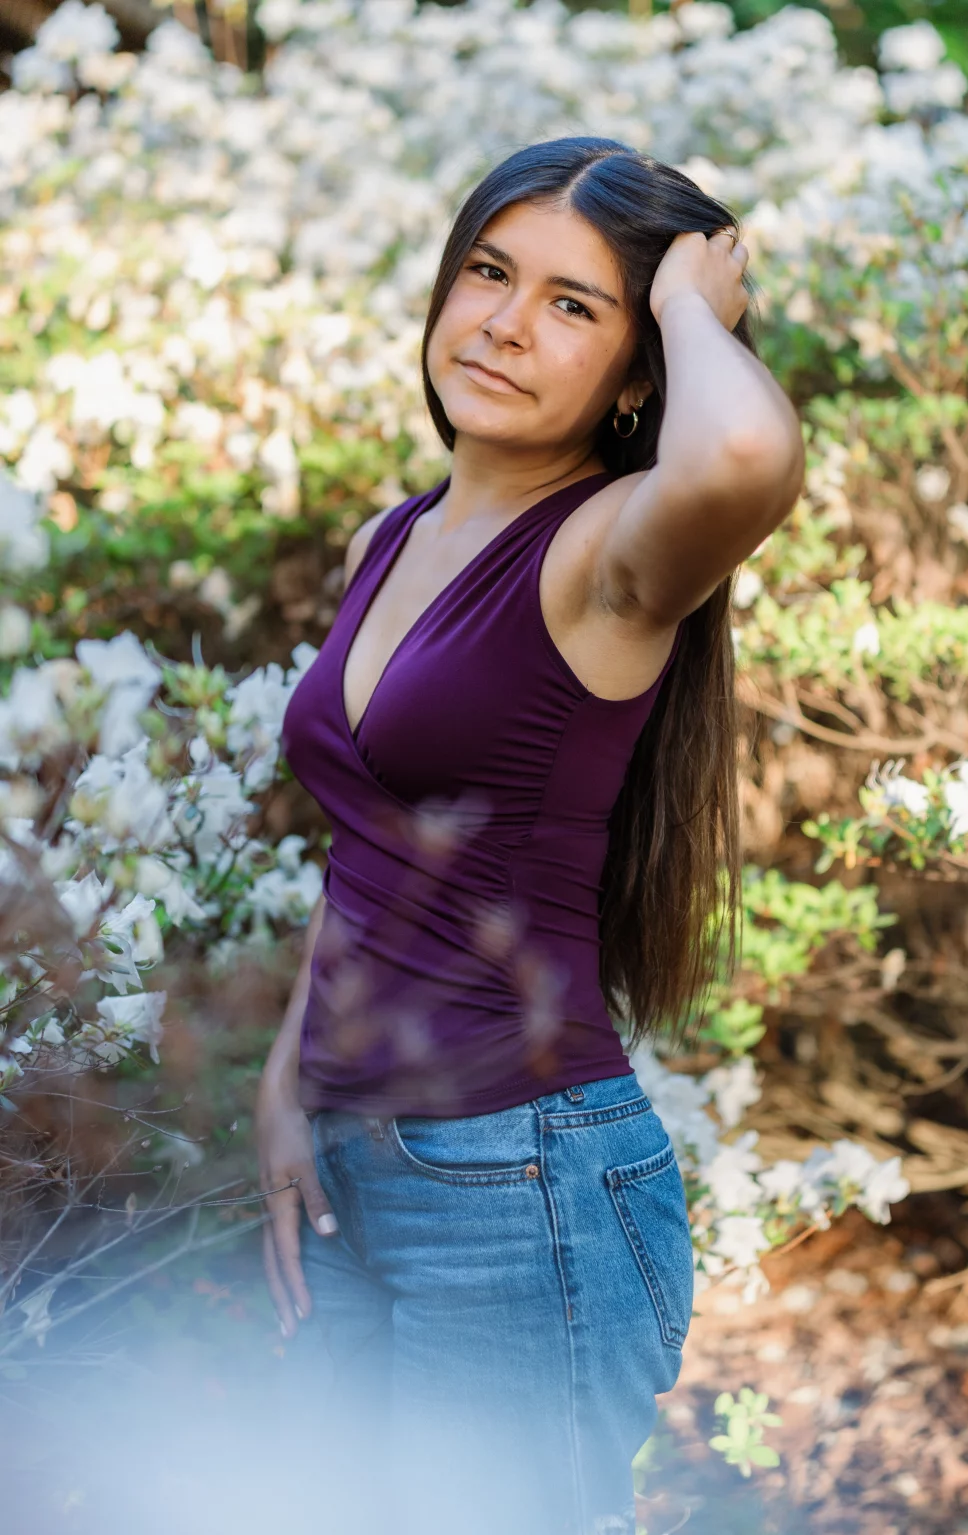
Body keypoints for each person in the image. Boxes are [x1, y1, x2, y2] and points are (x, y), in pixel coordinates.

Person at [256, 136, 804, 1535]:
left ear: (634, 380)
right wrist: (285, 1079)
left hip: (523, 1181)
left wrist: (692, 301)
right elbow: (375, 838)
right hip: (366, 1162)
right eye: (489, 273)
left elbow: (744, 449)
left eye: (574, 303)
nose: (503, 323)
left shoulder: (612, 553)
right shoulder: (401, 534)